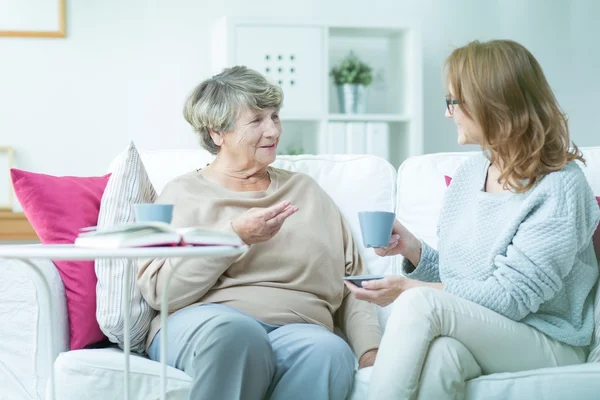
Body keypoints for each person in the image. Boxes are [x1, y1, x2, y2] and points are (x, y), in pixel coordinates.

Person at [345, 39, 600, 399]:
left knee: (418, 303)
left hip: (550, 339)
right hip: (489, 330)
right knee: (441, 355)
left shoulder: (559, 186)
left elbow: (511, 297)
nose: (448, 113)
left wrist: (410, 290)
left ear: (492, 104)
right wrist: (415, 250)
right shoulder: (470, 174)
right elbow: (462, 282)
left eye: (454, 102)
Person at [137, 65, 381, 400]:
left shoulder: (306, 191)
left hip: (300, 328)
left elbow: (354, 280)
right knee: (237, 334)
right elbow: (159, 291)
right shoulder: (183, 193)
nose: (272, 131)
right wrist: (233, 237)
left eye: (275, 116)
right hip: (208, 323)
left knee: (329, 352)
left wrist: (369, 351)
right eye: (256, 121)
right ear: (217, 133)